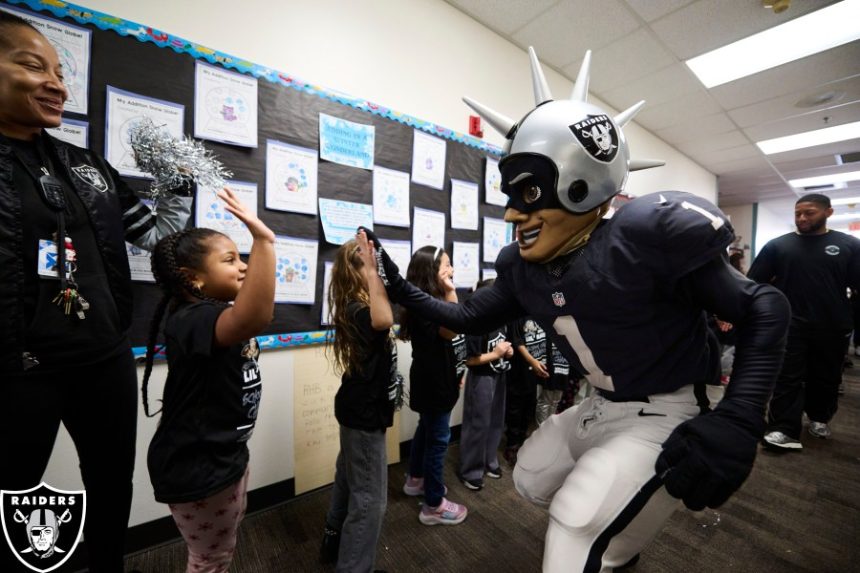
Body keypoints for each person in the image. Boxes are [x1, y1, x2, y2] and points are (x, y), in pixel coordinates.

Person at [363, 47, 789, 572]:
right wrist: (400, 286)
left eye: (531, 190)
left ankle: (612, 534)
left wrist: (741, 417)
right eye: (512, 192)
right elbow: (467, 318)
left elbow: (766, 305)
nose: (514, 210)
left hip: (670, 405)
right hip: (601, 402)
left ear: (583, 182)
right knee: (531, 475)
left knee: (575, 523)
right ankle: (623, 531)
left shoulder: (642, 235)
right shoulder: (525, 269)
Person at [0, 12, 192, 572]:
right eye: (34, 66)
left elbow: (158, 239)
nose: (57, 83)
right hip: (18, 372)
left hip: (103, 360)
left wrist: (178, 184)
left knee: (110, 485)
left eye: (60, 71)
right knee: (12, 496)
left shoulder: (87, 167)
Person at [141, 189, 275, 572]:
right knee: (210, 560)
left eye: (242, 257)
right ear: (192, 278)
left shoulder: (211, 313)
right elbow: (254, 317)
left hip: (224, 457)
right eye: (231, 260)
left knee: (221, 550)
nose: (244, 266)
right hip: (198, 467)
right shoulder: (192, 318)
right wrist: (263, 240)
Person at [748, 193, 860, 448]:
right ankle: (783, 429)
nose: (802, 218)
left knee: (826, 375)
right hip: (790, 323)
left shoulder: (849, 245)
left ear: (828, 213)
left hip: (833, 324)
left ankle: (820, 417)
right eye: (798, 213)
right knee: (787, 376)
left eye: (809, 213)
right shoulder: (778, 246)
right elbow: (755, 284)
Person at [319, 231, 396, 572]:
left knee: (348, 481)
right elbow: (384, 320)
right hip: (363, 415)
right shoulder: (358, 308)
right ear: (360, 269)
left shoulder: (358, 303)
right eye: (372, 265)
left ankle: (333, 546)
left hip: (357, 408)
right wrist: (372, 269)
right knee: (370, 503)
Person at [399, 246, 469, 525]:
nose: (451, 271)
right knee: (439, 441)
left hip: (432, 379)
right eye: (446, 267)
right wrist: (451, 290)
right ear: (431, 274)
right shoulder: (427, 305)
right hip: (435, 382)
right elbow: (453, 327)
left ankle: (415, 480)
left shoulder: (423, 301)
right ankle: (433, 505)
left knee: (425, 429)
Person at [459, 278, 513, 491]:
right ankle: (471, 470)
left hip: (500, 375)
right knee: (477, 424)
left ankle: (490, 461)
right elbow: (470, 360)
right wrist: (495, 354)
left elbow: (504, 347)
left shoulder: (501, 318)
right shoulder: (476, 322)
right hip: (481, 377)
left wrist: (507, 352)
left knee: (496, 421)